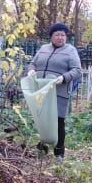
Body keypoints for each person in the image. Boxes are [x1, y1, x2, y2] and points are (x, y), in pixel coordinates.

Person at [27, 22, 82, 157]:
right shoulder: (44, 48)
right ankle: (42, 147)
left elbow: (77, 70)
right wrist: (31, 70)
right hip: (41, 90)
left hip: (59, 92)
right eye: (57, 35)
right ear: (51, 36)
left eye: (63, 35)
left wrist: (63, 78)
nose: (60, 38)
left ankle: (59, 153)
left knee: (58, 122)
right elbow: (33, 63)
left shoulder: (70, 51)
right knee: (42, 119)